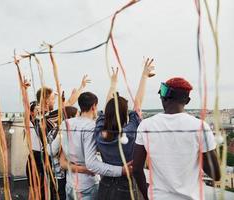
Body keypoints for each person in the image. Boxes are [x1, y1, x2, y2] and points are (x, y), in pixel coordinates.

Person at [133, 77, 221, 200]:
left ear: (163, 98)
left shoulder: (146, 125)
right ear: (187, 101)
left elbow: (136, 169)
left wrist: (147, 196)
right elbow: (216, 175)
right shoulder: (200, 127)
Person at [94, 58, 155, 200]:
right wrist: (144, 76)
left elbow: (107, 108)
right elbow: (138, 104)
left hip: (105, 184)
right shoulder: (130, 132)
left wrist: (113, 84)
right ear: (124, 115)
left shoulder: (99, 133)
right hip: (126, 185)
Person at [26, 75, 90, 200]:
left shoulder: (48, 116)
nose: (54, 101)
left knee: (48, 191)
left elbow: (68, 105)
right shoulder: (42, 118)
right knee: (48, 192)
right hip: (46, 161)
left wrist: (81, 87)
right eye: (52, 98)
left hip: (51, 161)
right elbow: (67, 107)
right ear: (45, 101)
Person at [58, 92, 131, 200]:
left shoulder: (65, 123)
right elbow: (91, 163)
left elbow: (56, 151)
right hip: (87, 186)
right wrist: (121, 170)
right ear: (93, 106)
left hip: (70, 184)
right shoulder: (91, 127)